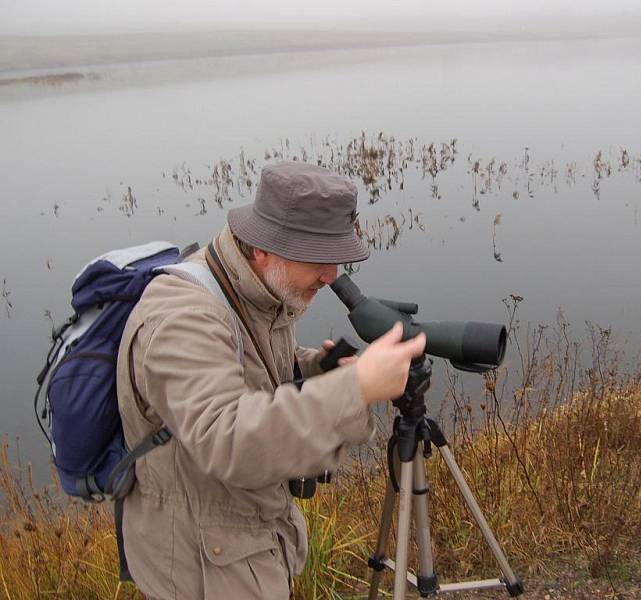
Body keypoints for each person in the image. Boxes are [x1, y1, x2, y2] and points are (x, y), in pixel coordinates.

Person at [116, 161, 426, 599]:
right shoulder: (182, 319)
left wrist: (314, 370)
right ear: (263, 248)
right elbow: (227, 438)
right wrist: (355, 390)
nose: (331, 275)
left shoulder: (258, 289)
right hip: (199, 571)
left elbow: (247, 371)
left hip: (245, 545)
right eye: (318, 257)